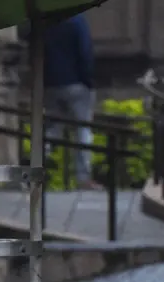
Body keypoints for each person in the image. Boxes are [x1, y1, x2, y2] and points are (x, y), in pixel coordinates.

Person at [42, 13, 101, 190]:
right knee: (83, 129)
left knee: (52, 129)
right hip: (76, 83)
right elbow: (85, 52)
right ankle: (83, 177)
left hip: (51, 83)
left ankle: (38, 166)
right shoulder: (77, 21)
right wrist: (88, 80)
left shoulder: (46, 21)